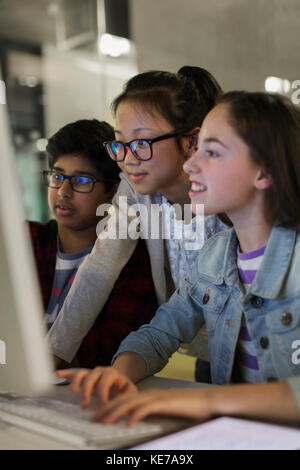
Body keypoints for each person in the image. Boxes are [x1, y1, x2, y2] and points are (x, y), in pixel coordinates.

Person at [58, 91, 300, 426]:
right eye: (197, 148)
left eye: (212, 152)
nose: (190, 164)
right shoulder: (215, 257)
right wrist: (121, 373)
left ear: (263, 172)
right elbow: (158, 334)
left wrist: (207, 400)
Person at [47, 67, 226, 374]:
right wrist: (52, 355)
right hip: (206, 354)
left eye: (142, 143)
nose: (128, 159)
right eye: (120, 143)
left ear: (191, 140)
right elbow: (100, 269)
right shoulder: (136, 189)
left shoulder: (228, 193)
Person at [29, 119, 158, 368]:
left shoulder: (134, 260)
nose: (64, 191)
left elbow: (113, 343)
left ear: (112, 192)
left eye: (82, 181)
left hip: (84, 393)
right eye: (57, 176)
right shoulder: (28, 240)